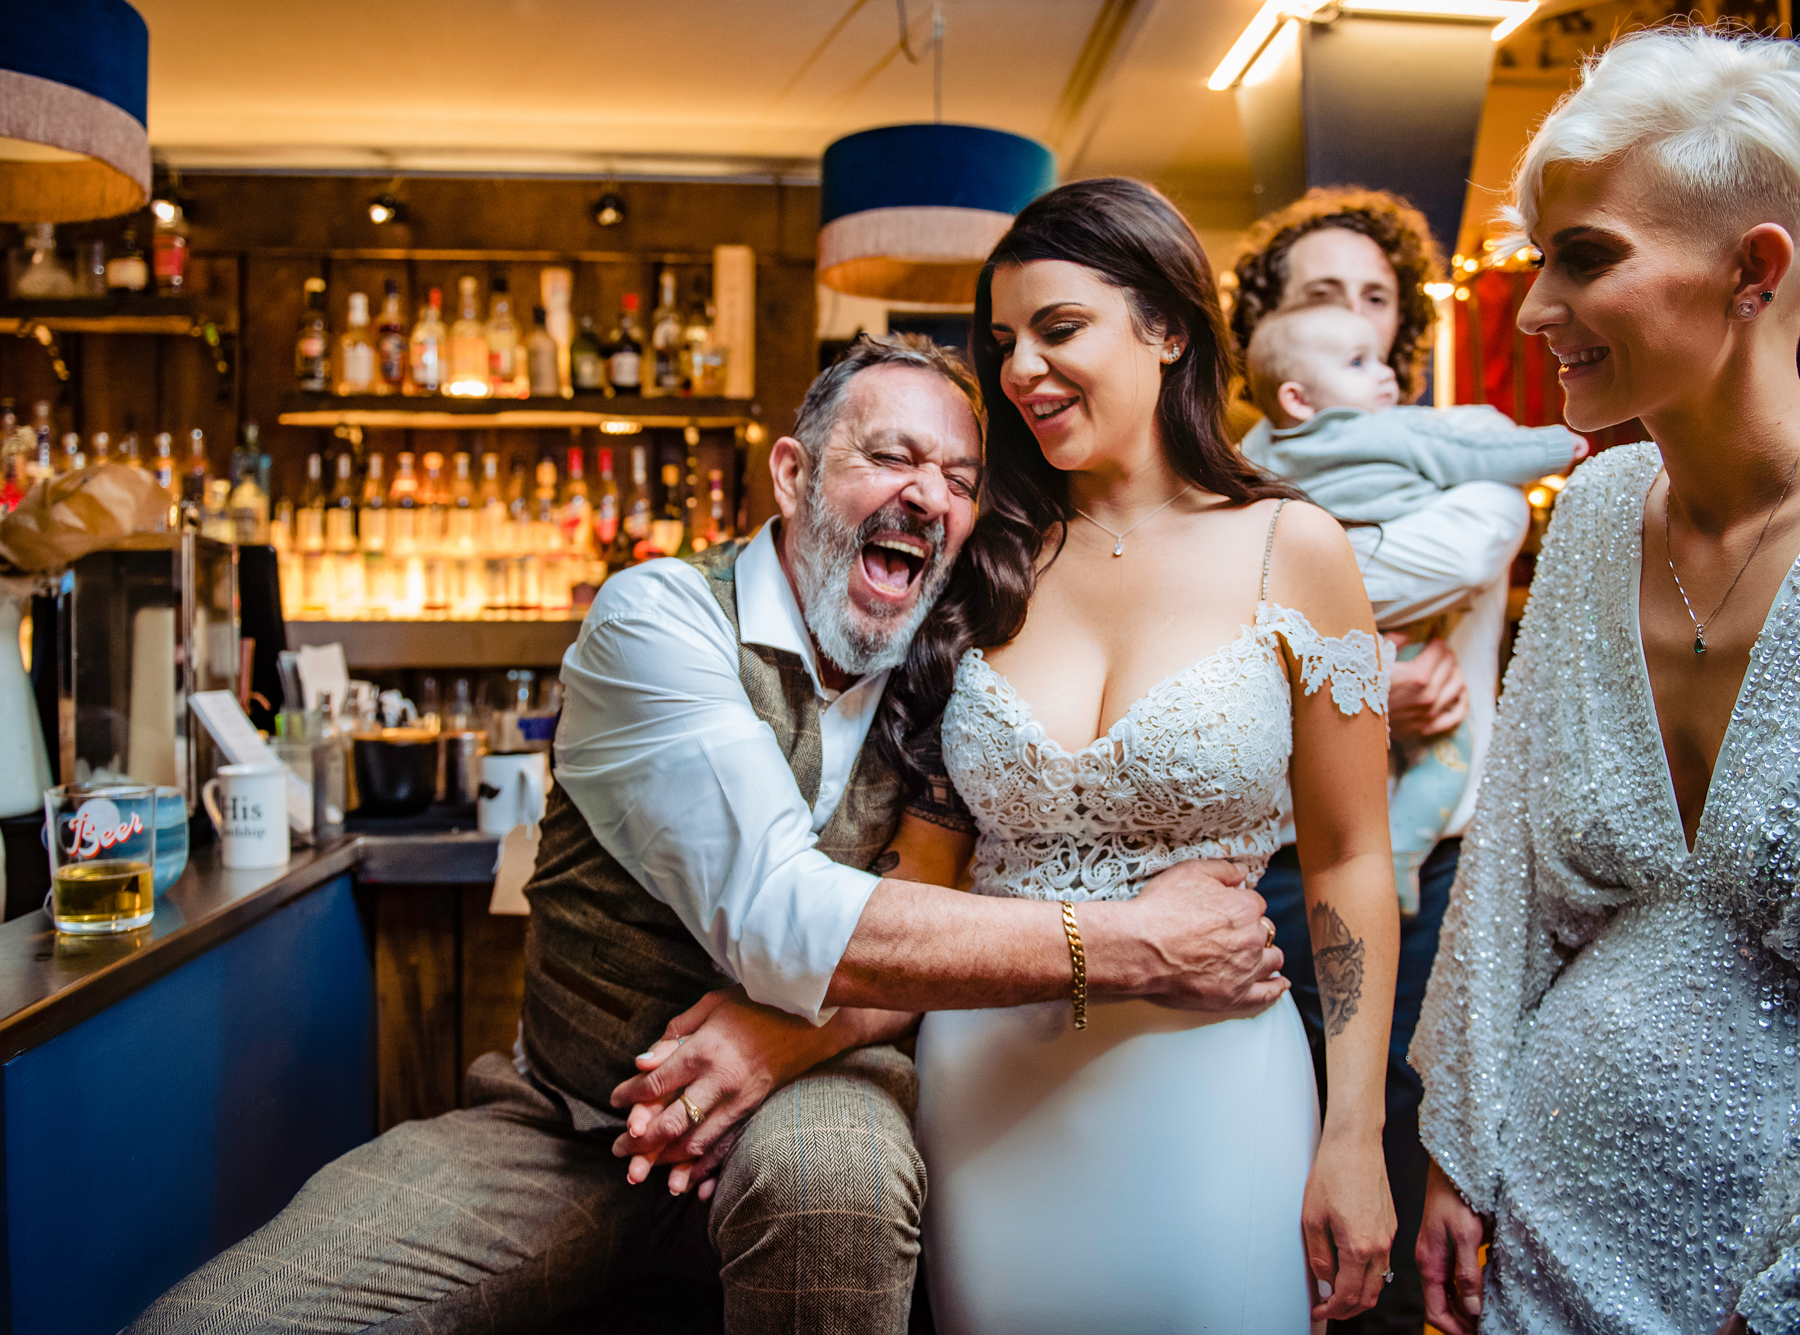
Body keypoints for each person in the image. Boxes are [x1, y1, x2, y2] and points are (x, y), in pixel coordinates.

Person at [132, 335, 1287, 1335]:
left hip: (819, 1087)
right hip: (576, 1116)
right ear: (791, 474)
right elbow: (785, 917)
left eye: (957, 477)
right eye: (888, 456)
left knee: (834, 1180)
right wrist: (1135, 941)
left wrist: (779, 1044)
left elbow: (958, 900)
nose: (926, 497)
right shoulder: (660, 617)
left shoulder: (958, 671)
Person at [1412, 27, 1800, 1335]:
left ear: (1754, 269)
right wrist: (1456, 1141)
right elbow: (1505, 859)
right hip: (1539, 1237)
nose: (1530, 310)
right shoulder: (1598, 507)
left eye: (1587, 257)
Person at [887, 176, 1396, 1333]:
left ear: (1166, 327)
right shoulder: (980, 561)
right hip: (986, 1088)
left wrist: (1354, 1133)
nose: (1019, 370)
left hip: (1216, 1084)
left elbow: (1351, 856)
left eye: (1058, 330)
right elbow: (922, 869)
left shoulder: (1292, 548)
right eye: (1002, 343)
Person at [1232, 184, 1532, 1333]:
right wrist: (1356, 706)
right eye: (1322, 295)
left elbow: (1468, 533)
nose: (1358, 314)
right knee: (1267, 1153)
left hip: (1431, 877)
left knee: (1401, 1160)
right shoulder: (1228, 470)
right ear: (1274, 331)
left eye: (1375, 296)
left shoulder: (1457, 457)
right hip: (1266, 865)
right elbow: (1212, 662)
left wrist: (1307, 616)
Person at [1243, 302, 1581, 912]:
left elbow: (1253, 575)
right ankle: (1400, 856)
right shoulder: (1387, 430)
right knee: (1448, 758)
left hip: (1336, 660)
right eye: (1356, 360)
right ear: (1296, 394)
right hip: (1409, 646)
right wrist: (1559, 445)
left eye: (1374, 301)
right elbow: (1479, 465)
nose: (1384, 375)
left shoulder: (1257, 460)